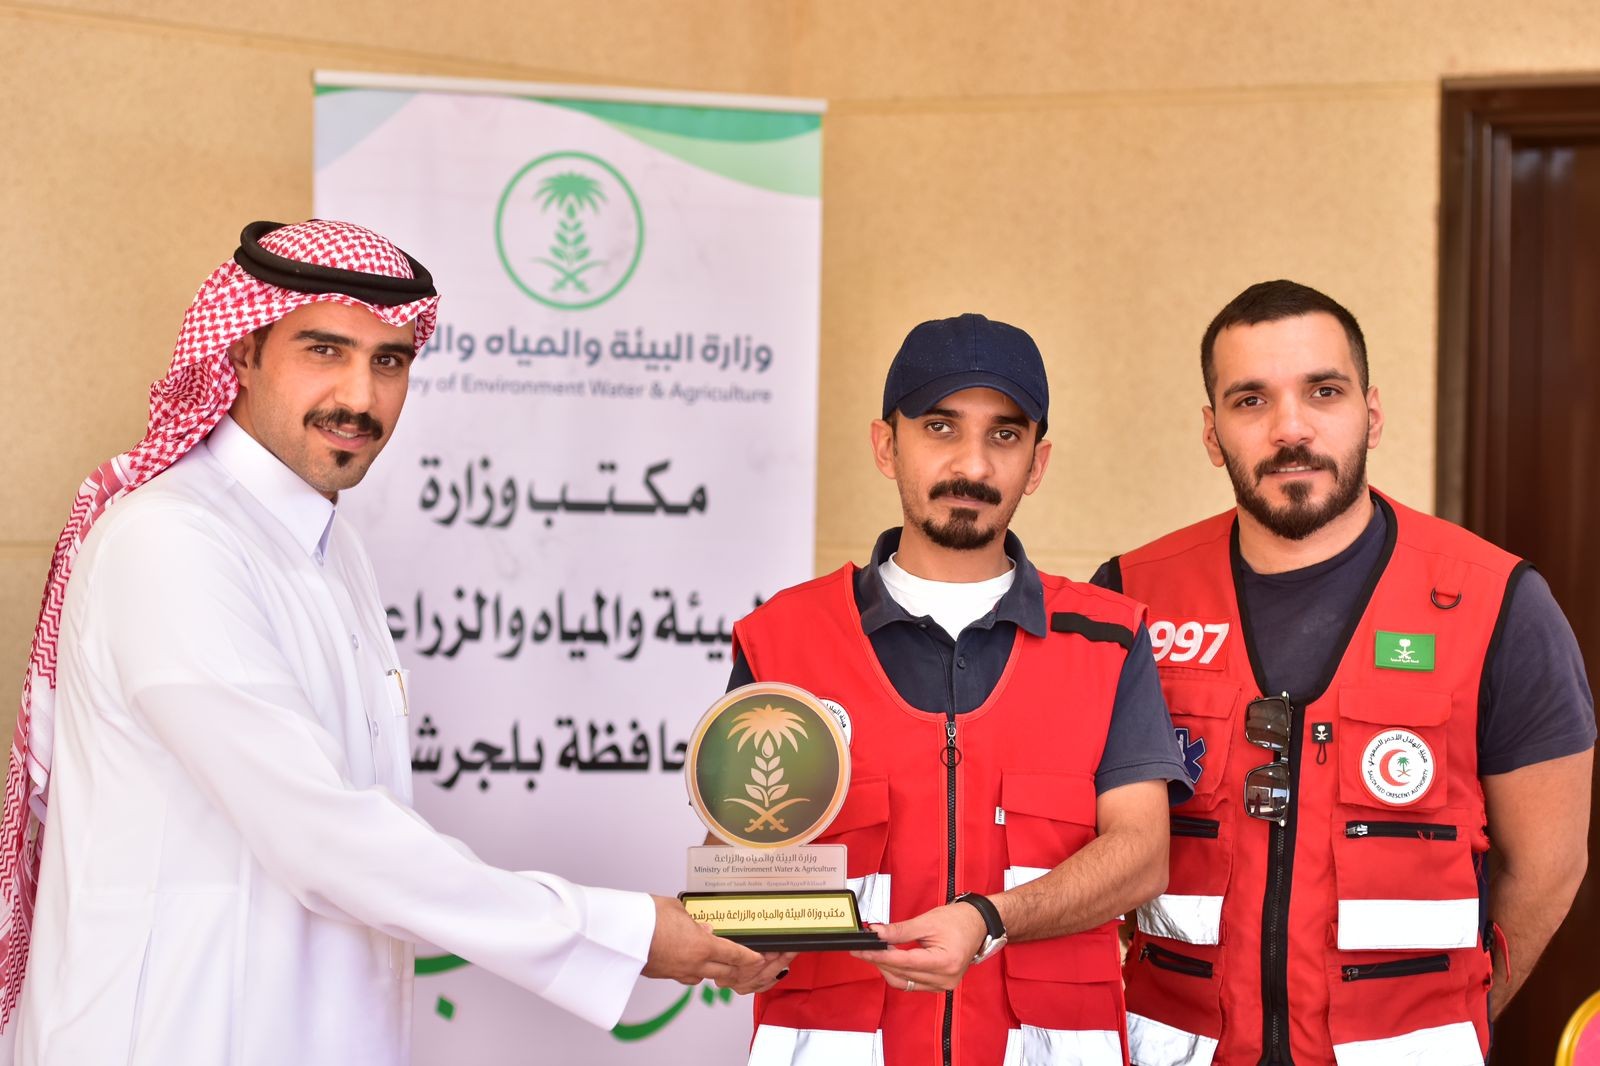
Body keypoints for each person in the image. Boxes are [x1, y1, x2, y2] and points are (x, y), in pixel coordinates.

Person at [0, 220, 761, 1065]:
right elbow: (321, 837)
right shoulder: (171, 540)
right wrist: (624, 932)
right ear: (242, 352)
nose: (360, 398)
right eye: (324, 351)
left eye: (389, 362)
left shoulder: (331, 548)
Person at [1098, 280, 1596, 1065]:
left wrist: (1454, 1019)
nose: (1291, 428)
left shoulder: (1498, 603)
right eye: (1251, 400)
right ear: (1212, 433)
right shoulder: (1131, 598)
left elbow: (1548, 868)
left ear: (1373, 413)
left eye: (1323, 392)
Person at [724, 313, 1192, 1066]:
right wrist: (744, 931)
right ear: (886, 445)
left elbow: (1142, 855)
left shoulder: (1107, 639)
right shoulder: (784, 639)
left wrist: (990, 919)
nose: (972, 463)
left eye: (1004, 435)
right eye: (940, 427)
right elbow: (739, 860)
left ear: (1036, 464)